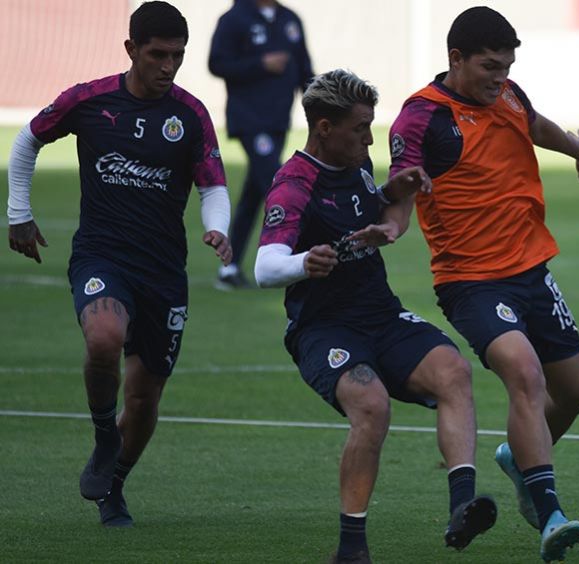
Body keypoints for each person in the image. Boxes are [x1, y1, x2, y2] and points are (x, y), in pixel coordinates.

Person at [253, 69, 497, 564]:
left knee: (453, 370)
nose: (370, 138)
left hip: (381, 316)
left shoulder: (358, 167)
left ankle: (461, 507)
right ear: (324, 128)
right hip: (324, 328)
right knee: (371, 405)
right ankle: (351, 548)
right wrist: (305, 263)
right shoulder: (294, 183)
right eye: (360, 128)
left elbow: (375, 208)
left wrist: (395, 192)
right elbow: (264, 266)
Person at [6, 1, 232, 527]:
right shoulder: (89, 101)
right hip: (102, 255)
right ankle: (104, 432)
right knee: (104, 337)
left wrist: (215, 225)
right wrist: (18, 212)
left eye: (178, 56)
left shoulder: (190, 114)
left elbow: (213, 183)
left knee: (146, 395)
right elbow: (28, 139)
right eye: (158, 54)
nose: (169, 66)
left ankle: (114, 483)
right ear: (131, 49)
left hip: (163, 270)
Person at [389, 7, 579, 562]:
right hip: (472, 282)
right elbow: (399, 181)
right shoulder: (422, 118)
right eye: (488, 66)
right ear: (455, 59)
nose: (499, 76)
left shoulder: (507, 94)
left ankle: (519, 458)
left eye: (506, 66)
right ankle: (549, 511)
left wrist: (574, 147)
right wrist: (395, 204)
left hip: (531, 270)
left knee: (575, 391)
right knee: (525, 373)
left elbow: (533, 122)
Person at [209, 0, 313, 289]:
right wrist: (260, 64)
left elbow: (305, 70)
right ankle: (296, 262)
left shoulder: (290, 19)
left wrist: (324, 107)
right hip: (250, 120)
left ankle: (228, 270)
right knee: (278, 186)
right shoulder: (234, 19)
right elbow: (216, 63)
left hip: (279, 120)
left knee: (254, 194)